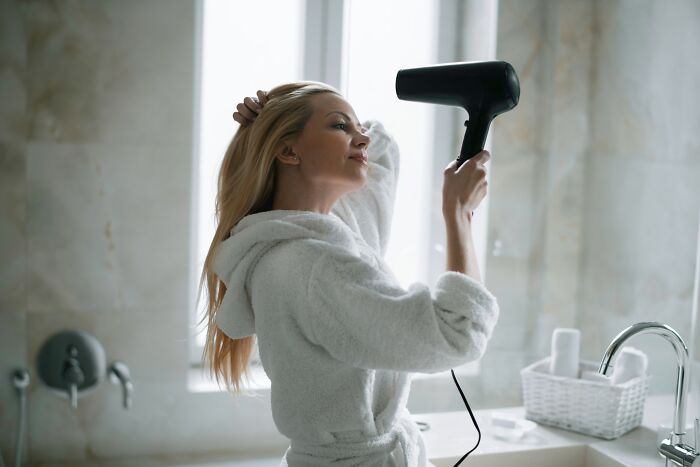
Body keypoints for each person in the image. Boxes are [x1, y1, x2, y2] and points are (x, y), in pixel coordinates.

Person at [197, 81, 499, 467]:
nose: (363, 139)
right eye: (341, 127)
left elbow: (382, 147)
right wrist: (459, 214)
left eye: (357, 129)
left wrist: (273, 109)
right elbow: (457, 334)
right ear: (288, 151)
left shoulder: (323, 234)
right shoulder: (315, 266)